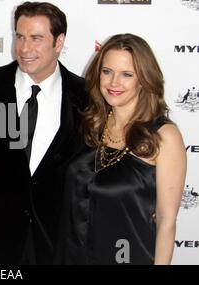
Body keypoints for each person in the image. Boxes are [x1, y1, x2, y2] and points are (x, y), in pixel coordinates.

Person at [0, 1, 86, 264]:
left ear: (59, 42)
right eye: (20, 37)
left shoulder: (86, 97)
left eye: (36, 38)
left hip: (60, 243)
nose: (24, 48)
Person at [58, 33, 186, 265]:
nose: (114, 82)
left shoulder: (163, 136)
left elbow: (166, 221)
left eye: (127, 74)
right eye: (107, 72)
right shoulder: (90, 124)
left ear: (144, 79)